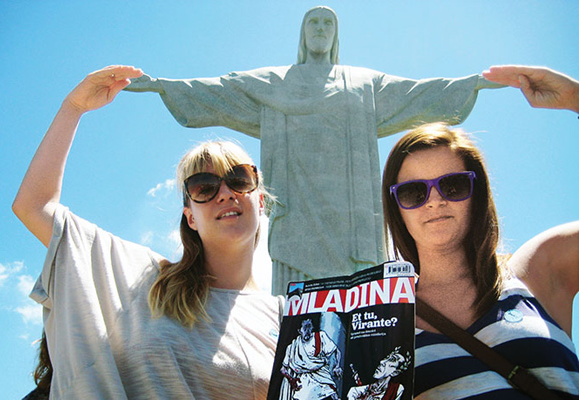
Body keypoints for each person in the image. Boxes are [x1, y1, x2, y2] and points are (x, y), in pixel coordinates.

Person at [124, 6, 506, 295]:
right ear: (303, 34)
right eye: (313, 23)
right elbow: (223, 90)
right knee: (298, 315)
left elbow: (414, 92)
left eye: (328, 24)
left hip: (353, 218)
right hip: (298, 210)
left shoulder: (361, 84)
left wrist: (472, 84)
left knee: (363, 316)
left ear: (335, 36)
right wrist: (162, 86)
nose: (320, 30)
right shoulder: (276, 82)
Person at [13, 66, 282, 399]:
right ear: (191, 218)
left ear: (259, 199)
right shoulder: (148, 281)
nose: (225, 193)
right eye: (204, 187)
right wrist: (73, 108)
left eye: (239, 179)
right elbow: (34, 207)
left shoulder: (286, 317)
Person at [381, 122, 579, 398]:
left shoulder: (535, 272)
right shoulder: (383, 323)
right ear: (396, 207)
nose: (434, 201)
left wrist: (574, 98)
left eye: (453, 185)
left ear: (478, 193)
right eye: (413, 192)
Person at [279, 318, 343, 400]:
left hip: (322, 380)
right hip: (303, 386)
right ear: (299, 330)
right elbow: (283, 369)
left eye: (309, 327)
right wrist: (291, 379)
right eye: (304, 328)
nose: (307, 331)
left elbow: (336, 351)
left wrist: (337, 366)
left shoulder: (320, 337)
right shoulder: (292, 347)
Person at [346, 347, 411, 400]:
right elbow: (352, 392)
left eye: (392, 360)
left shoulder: (397, 389)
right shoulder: (362, 390)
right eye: (387, 357)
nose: (382, 362)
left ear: (395, 372)